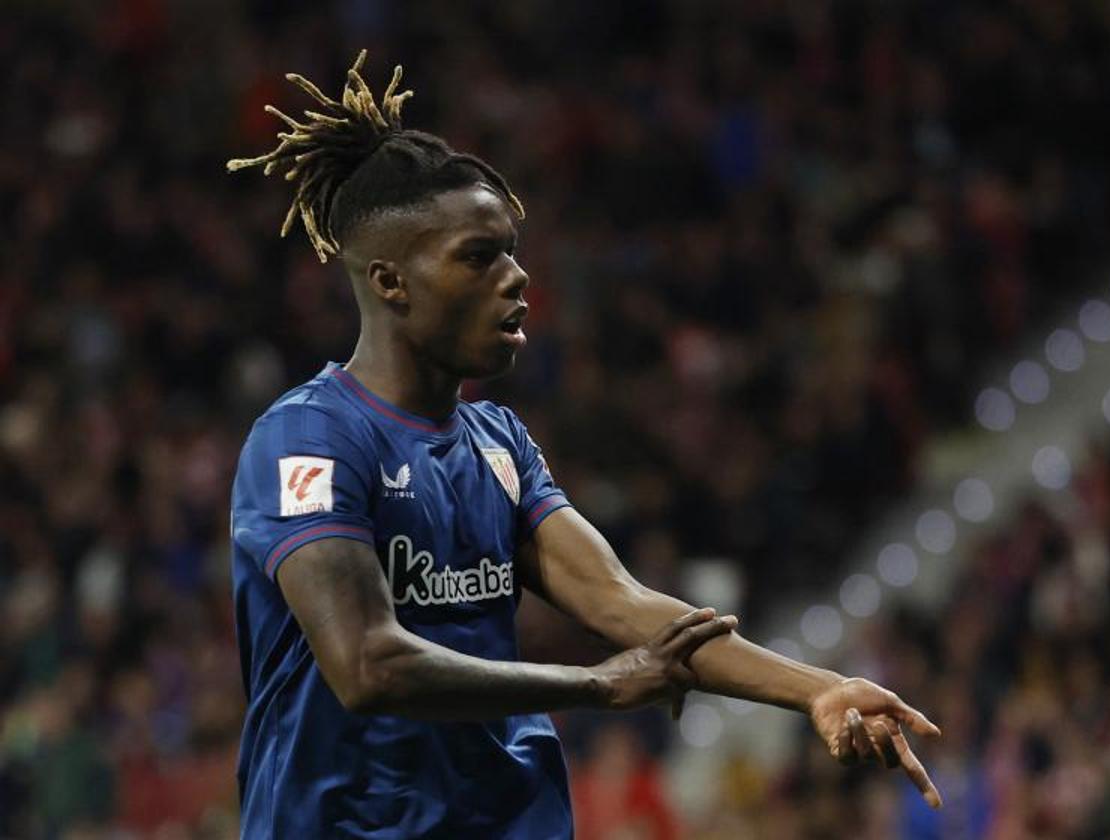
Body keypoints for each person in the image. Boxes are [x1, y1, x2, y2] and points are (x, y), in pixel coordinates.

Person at [226, 51, 943, 838]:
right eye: (479, 255)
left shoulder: (497, 443)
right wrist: (595, 688)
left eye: (512, 248)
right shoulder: (309, 439)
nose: (517, 276)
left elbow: (623, 604)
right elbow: (366, 665)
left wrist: (817, 689)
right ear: (391, 281)